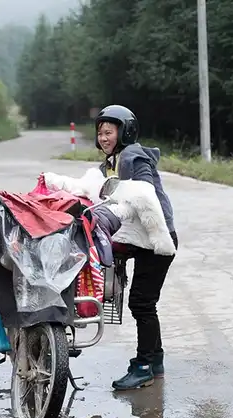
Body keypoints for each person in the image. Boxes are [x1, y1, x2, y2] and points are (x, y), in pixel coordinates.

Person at [94, 104, 178, 391]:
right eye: (100, 133)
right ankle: (155, 361)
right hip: (137, 238)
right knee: (144, 303)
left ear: (125, 132)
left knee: (141, 303)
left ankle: (143, 367)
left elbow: (144, 192)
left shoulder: (132, 155)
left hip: (157, 238)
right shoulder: (110, 162)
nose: (104, 138)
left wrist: (116, 212)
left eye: (109, 132)